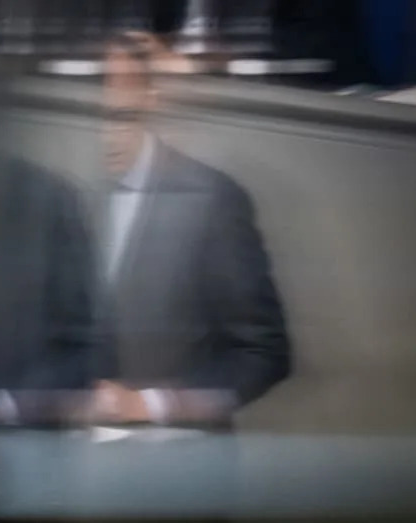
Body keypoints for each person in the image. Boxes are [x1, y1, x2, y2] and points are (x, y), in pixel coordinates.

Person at [93, 31, 291, 426]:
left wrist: (149, 406)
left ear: (153, 97)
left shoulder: (213, 199)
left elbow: (263, 353)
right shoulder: (82, 196)